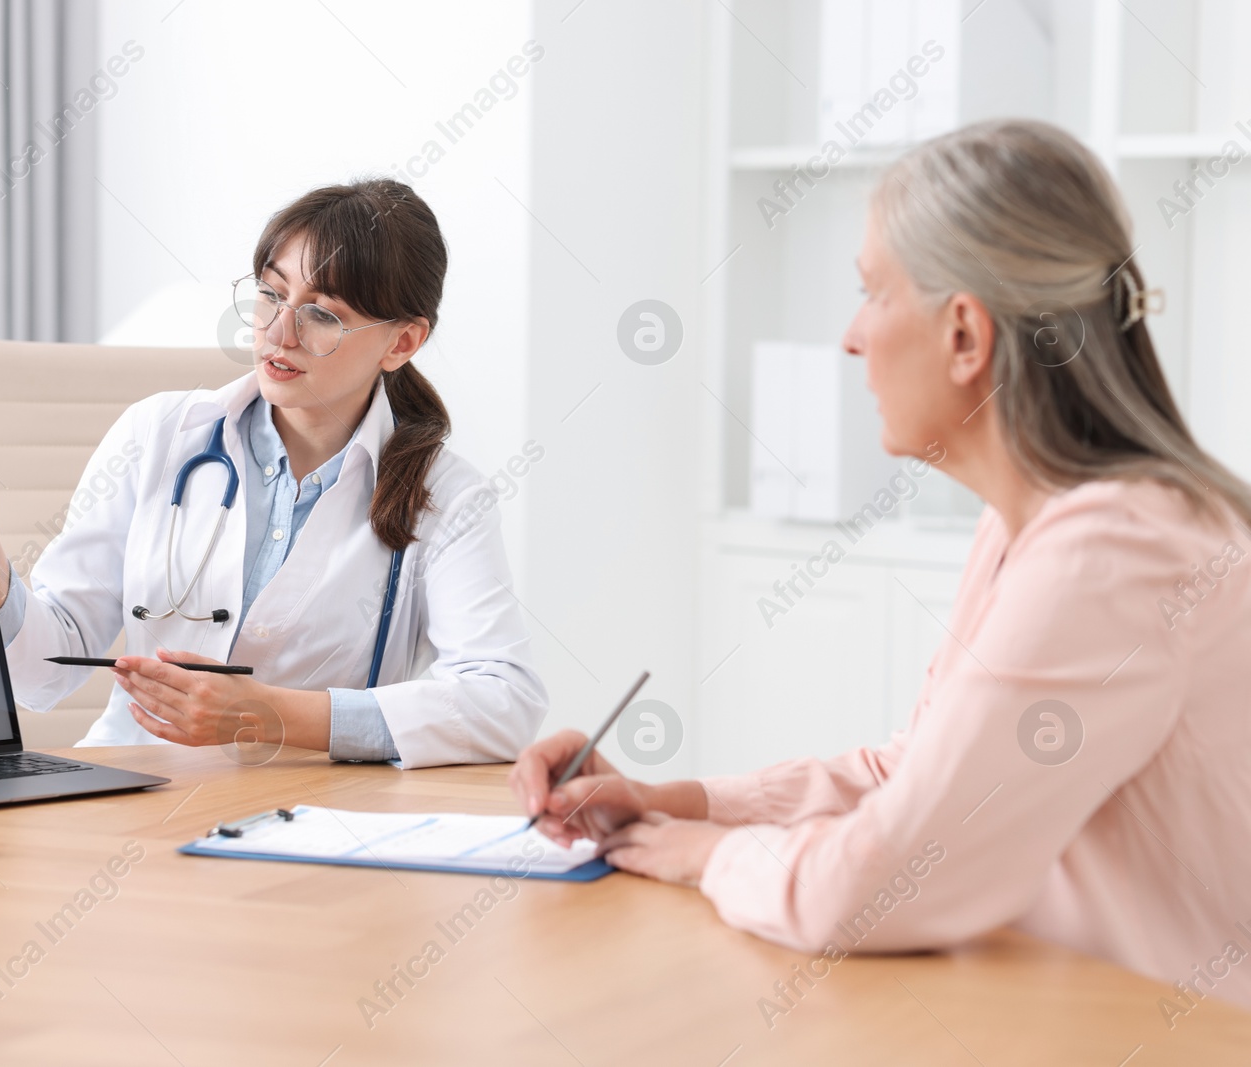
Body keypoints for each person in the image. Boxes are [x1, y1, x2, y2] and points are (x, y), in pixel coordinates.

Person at [512, 119, 1251, 1009]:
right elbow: (917, 778)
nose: (851, 339)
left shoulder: (1112, 553)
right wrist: (674, 801)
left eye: (872, 294)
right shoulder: (1040, 523)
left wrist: (703, 855)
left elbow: (877, 885)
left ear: (966, 335)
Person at [0, 179, 546, 768]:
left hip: (316, 820)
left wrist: (273, 715)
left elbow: (505, 701)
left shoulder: (443, 497)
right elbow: (41, 675)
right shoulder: (159, 434)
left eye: (322, 314)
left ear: (402, 341)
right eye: (271, 295)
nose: (279, 332)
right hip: (132, 792)